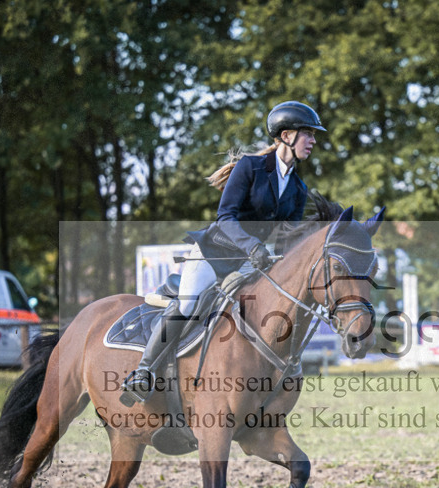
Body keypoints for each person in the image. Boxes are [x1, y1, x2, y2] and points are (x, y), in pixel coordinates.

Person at [123, 101, 326, 399]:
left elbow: (286, 237)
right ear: (286, 136)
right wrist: (254, 246)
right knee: (190, 305)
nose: (313, 141)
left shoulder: (298, 188)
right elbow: (225, 217)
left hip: (248, 264)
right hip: (213, 253)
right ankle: (144, 371)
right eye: (308, 133)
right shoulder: (250, 168)